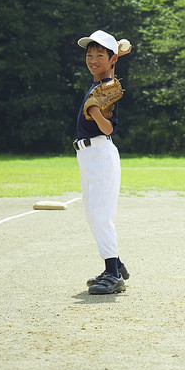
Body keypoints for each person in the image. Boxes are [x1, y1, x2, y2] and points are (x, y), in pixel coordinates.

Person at [75, 29, 130, 295]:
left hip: (100, 153)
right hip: (87, 155)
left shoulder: (108, 87)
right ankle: (116, 264)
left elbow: (107, 129)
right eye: (89, 54)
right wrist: (116, 51)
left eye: (99, 55)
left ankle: (113, 274)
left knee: (100, 214)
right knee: (91, 212)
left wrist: (95, 111)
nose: (93, 59)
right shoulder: (99, 84)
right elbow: (112, 56)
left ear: (111, 60)